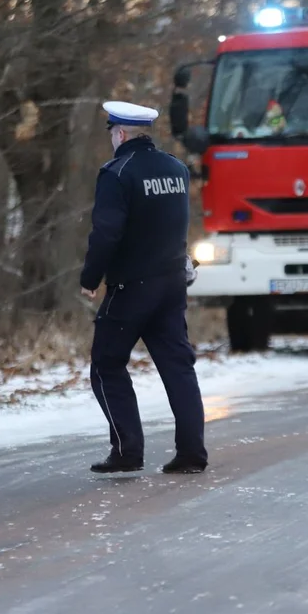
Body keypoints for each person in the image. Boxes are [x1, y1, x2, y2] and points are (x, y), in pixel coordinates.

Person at [80, 100, 208, 475]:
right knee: (178, 367)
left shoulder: (118, 173)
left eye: (111, 134)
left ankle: (126, 451)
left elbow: (106, 233)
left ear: (119, 134)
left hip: (131, 286)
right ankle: (192, 454)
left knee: (106, 364)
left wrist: (91, 279)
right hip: (171, 284)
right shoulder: (176, 169)